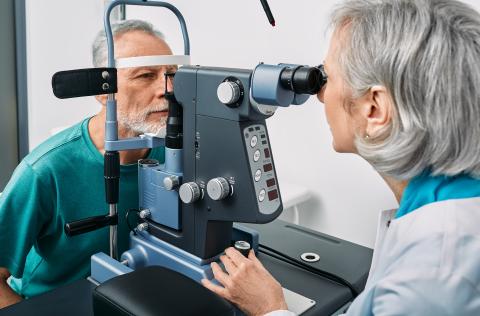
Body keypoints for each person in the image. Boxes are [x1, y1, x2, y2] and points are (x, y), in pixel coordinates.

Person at [202, 0, 480, 315]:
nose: (320, 94)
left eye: (328, 77)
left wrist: (271, 308)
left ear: (375, 109)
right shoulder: (447, 208)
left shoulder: (432, 279)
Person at [0, 20, 176, 308]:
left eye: (172, 75)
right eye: (145, 75)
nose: (166, 89)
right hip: (54, 303)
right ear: (103, 92)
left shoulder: (174, 155)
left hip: (133, 299)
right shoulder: (46, 170)